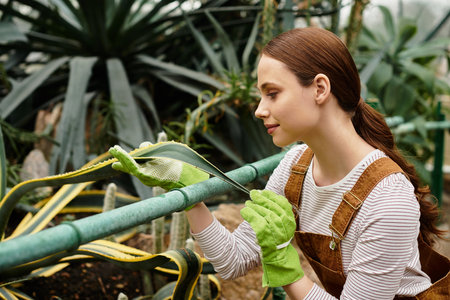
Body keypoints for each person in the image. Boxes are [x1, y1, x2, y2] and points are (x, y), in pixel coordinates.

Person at [110, 27, 449, 299]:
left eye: (272, 93)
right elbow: (233, 261)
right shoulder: (295, 167)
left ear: (319, 88)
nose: (259, 109)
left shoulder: (388, 199)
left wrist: (286, 267)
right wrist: (190, 192)